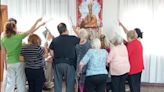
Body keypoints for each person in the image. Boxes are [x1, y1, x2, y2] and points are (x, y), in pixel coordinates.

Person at [1, 18, 45, 92]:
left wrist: (5, 64)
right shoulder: (18, 36)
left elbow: (3, 53)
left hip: (9, 62)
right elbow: (31, 30)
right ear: (14, 28)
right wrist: (37, 21)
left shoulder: (3, 39)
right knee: (20, 81)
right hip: (19, 62)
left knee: (10, 82)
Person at [49, 23, 80, 92]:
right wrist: (76, 31)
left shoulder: (55, 40)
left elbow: (51, 53)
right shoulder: (73, 38)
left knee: (57, 85)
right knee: (70, 85)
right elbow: (82, 39)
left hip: (57, 63)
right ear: (66, 29)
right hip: (69, 64)